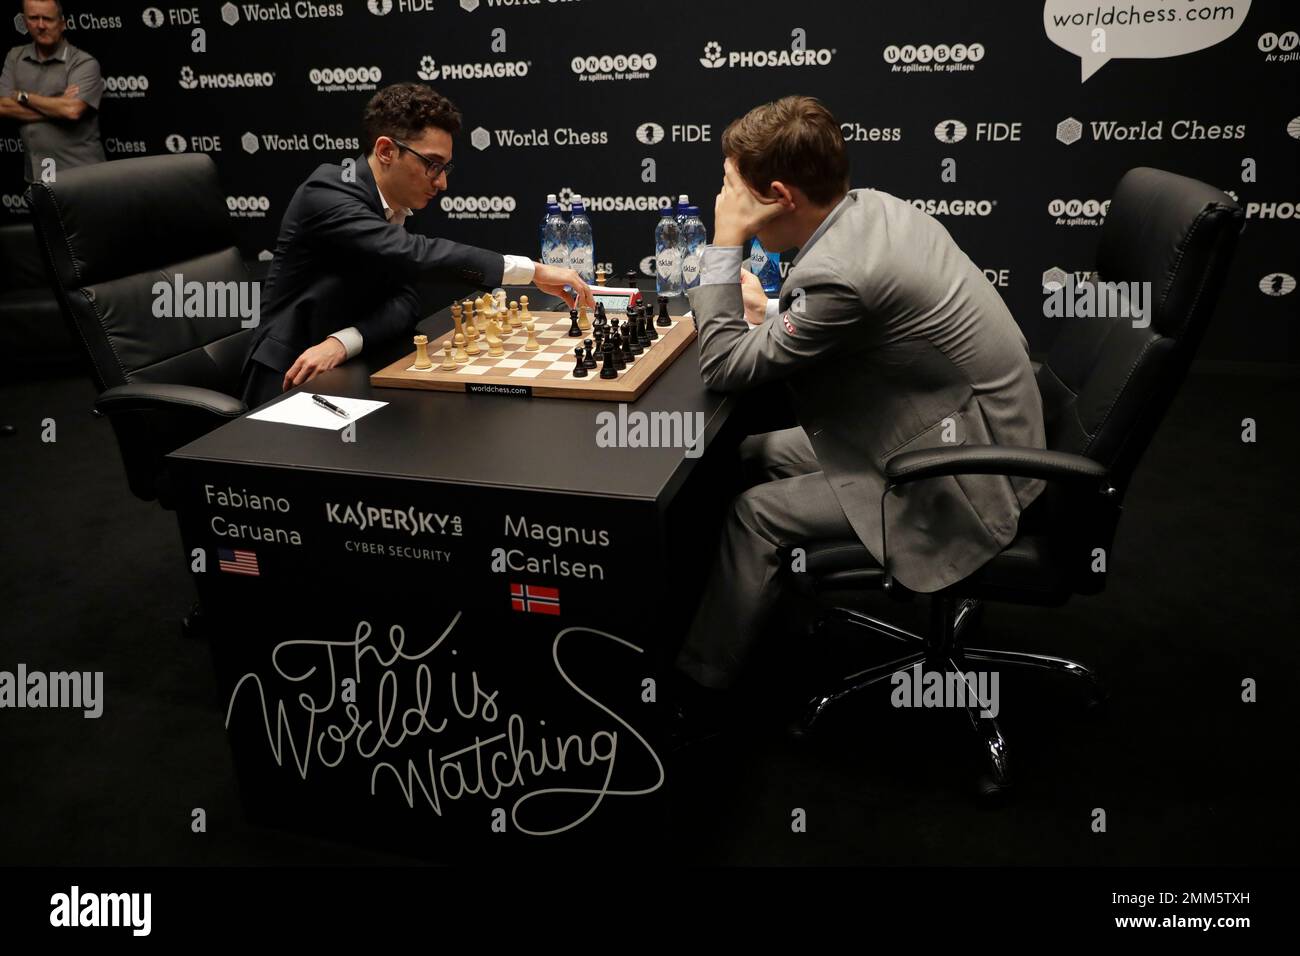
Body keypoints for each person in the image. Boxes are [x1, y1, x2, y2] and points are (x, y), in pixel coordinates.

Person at [673, 95, 1046, 725]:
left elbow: (724, 368)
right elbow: (854, 329)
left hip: (963, 473)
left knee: (753, 514)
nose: (724, 197)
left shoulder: (839, 274)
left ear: (779, 196)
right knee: (749, 452)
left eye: (732, 188)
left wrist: (724, 242)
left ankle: (698, 692)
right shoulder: (870, 208)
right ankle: (739, 608)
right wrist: (779, 317)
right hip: (959, 419)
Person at [239, 82, 593, 408]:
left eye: (445, 168)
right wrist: (532, 270)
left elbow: (406, 302)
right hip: (289, 373)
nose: (441, 184)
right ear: (386, 150)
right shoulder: (329, 191)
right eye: (432, 165)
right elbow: (416, 254)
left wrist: (342, 342)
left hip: (348, 364)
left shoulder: (393, 207)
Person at [0, 0, 106, 184]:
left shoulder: (83, 62)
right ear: (25, 22)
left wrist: (22, 96)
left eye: (47, 19)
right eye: (34, 18)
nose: (40, 25)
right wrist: (57, 106)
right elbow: (2, 106)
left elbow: (71, 111)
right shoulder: (14, 57)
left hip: (83, 175)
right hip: (38, 175)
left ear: (62, 24)